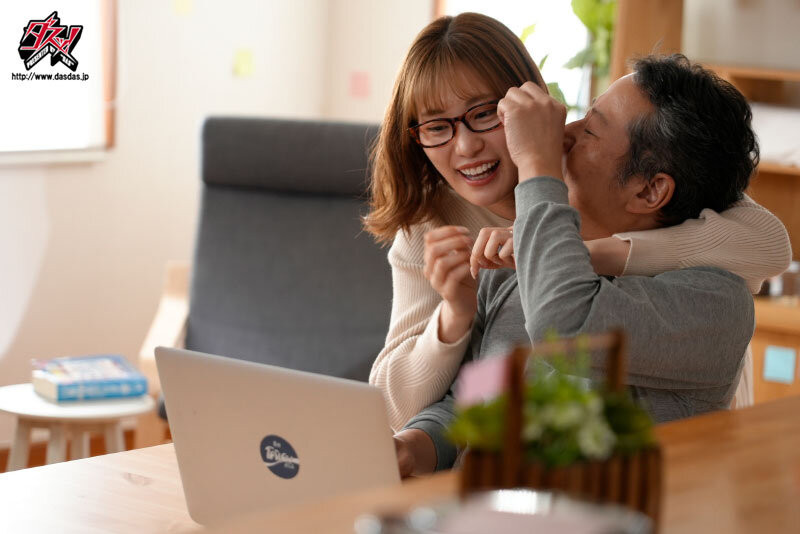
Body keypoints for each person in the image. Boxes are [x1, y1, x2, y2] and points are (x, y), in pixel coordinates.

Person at [364, 13, 791, 432]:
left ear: (527, 107)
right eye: (437, 126)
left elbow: (770, 245)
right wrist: (454, 317)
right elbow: (418, 405)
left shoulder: (599, 189)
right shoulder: (431, 228)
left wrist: (587, 254)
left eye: (484, 113)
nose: (466, 145)